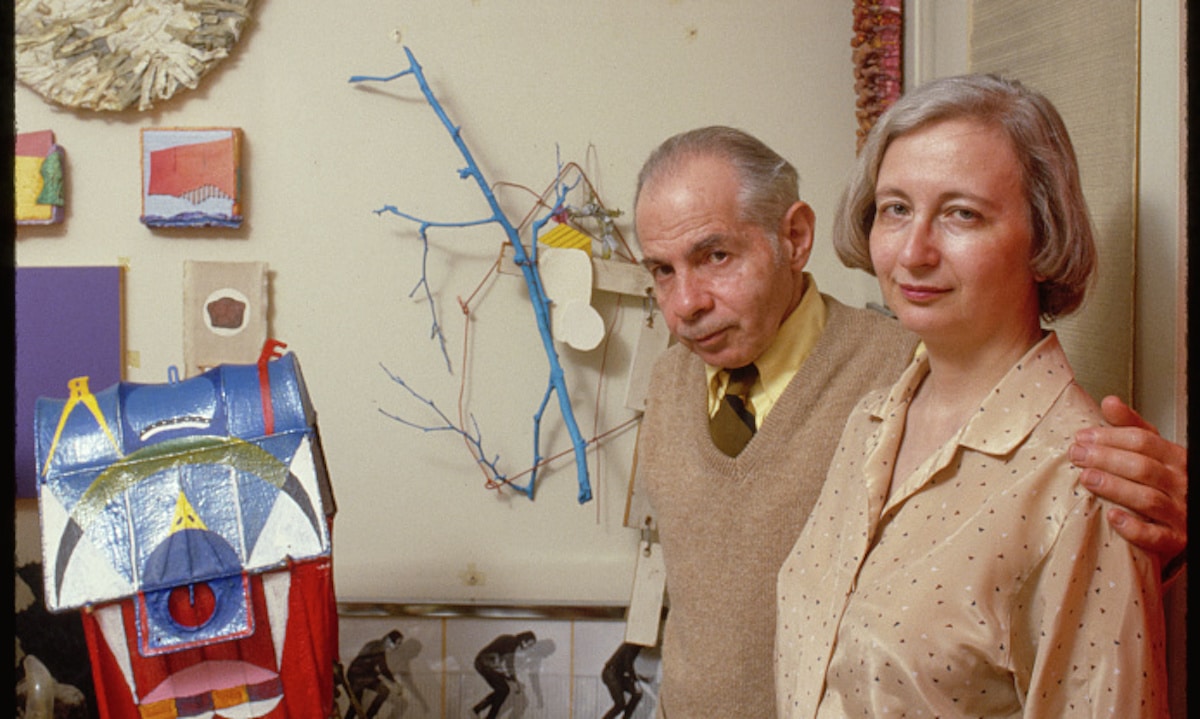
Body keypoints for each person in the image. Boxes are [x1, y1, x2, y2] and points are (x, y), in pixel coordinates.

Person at [632, 126, 1187, 718]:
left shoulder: (911, 370)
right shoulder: (676, 384)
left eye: (715, 257)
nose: (685, 305)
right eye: (662, 270)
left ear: (794, 237)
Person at [774, 73, 1168, 717]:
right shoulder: (869, 424)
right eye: (896, 209)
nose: (914, 252)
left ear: (1044, 236)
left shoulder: (1082, 486)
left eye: (962, 214)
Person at [471, 630, 536, 719]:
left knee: (502, 690)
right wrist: (514, 680)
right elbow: (509, 663)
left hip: (484, 663)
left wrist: (512, 679)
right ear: (524, 640)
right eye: (530, 644)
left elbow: (505, 664)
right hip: (484, 663)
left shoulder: (511, 641)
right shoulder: (512, 642)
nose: (528, 647)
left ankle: (479, 711)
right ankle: (481, 712)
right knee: (503, 690)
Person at [343, 629, 402, 719]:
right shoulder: (377, 648)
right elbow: (378, 668)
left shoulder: (379, 647)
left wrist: (393, 682)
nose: (398, 647)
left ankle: (368, 716)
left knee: (356, 706)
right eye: (398, 643)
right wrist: (391, 681)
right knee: (356, 706)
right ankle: (369, 716)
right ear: (390, 641)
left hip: (361, 676)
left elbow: (383, 669)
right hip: (357, 676)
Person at [601, 642, 645, 719]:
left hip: (617, 675)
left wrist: (639, 678)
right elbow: (627, 664)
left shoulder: (635, 646)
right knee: (620, 705)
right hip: (610, 674)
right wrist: (635, 681)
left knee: (637, 694)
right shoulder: (631, 645)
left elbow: (626, 666)